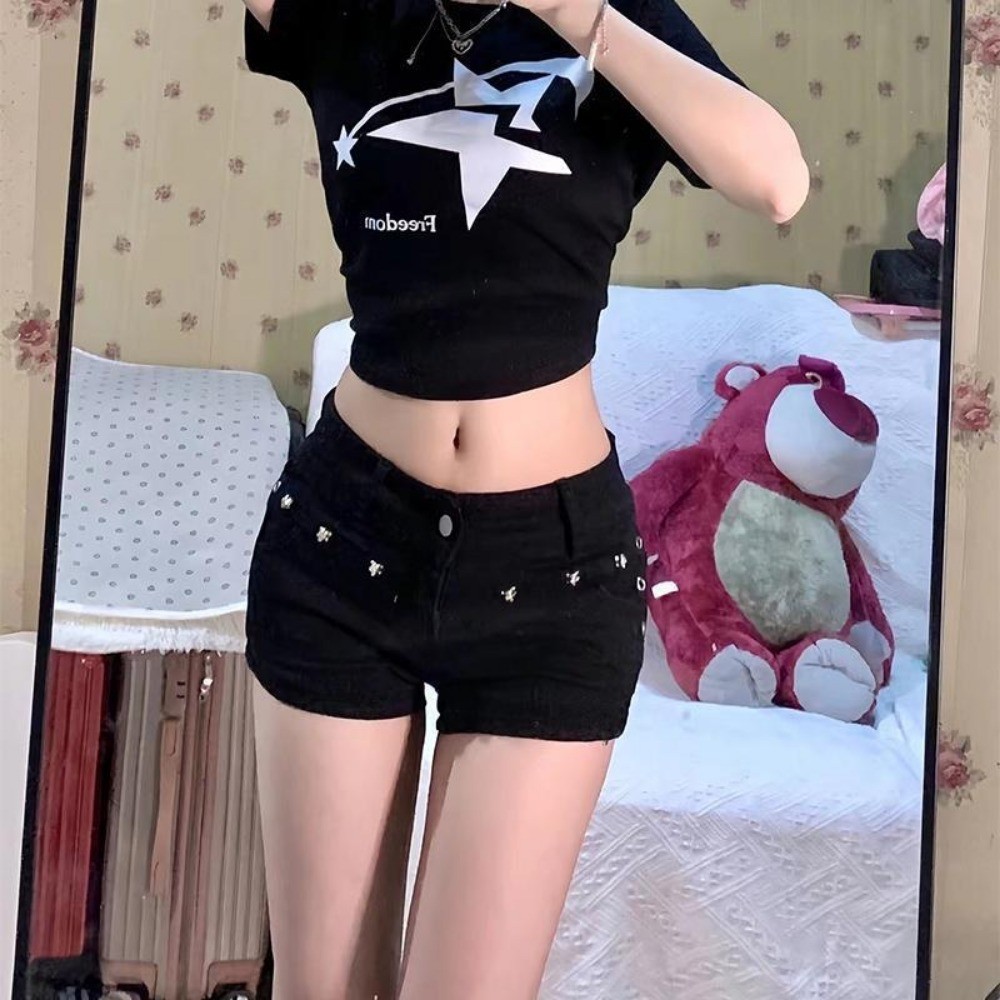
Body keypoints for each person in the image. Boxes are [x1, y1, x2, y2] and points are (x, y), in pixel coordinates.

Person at [239, 1, 809, 997]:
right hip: (342, 544)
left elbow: (776, 180)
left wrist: (577, 14)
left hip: (551, 577)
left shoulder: (616, 24)